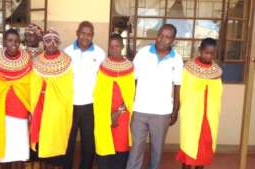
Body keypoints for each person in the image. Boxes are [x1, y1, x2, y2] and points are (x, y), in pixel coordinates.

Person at [126, 24, 183, 169]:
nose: (162, 39)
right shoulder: (143, 53)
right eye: (160, 35)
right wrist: (129, 104)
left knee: (156, 151)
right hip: (140, 110)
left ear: (173, 40)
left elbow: (177, 86)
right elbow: (133, 80)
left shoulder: (176, 59)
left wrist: (175, 111)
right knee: (135, 150)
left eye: (167, 37)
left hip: (162, 112)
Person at [0, 28, 31, 169]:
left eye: (16, 41)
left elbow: (30, 87)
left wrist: (30, 110)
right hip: (2, 115)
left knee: (20, 156)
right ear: (4, 42)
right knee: (5, 155)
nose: (13, 44)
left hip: (21, 115)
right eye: (10, 40)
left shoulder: (27, 61)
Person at [63, 21, 106, 169]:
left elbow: (103, 80)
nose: (85, 37)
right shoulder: (67, 52)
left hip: (90, 106)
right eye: (83, 33)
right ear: (77, 33)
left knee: (89, 144)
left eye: (89, 34)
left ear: (92, 35)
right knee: (68, 142)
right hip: (70, 105)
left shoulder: (100, 54)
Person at [176, 38, 223, 169]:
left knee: (203, 150)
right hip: (192, 116)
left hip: (209, 119)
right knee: (188, 147)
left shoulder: (217, 71)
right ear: (200, 51)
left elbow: (218, 93)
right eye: (205, 52)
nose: (208, 56)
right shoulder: (188, 68)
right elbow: (183, 91)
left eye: (211, 53)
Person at [29, 28, 73, 167]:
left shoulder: (67, 61)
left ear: (58, 42)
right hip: (39, 106)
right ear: (44, 42)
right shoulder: (36, 61)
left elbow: (67, 88)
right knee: (39, 138)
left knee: (55, 137)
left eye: (55, 40)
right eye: (48, 40)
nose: (52, 43)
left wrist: (50, 87)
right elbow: (32, 85)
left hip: (57, 108)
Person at [94, 34, 135, 169]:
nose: (114, 49)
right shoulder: (102, 66)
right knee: (104, 149)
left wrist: (118, 113)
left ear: (122, 47)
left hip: (122, 116)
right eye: (111, 46)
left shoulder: (130, 67)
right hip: (103, 116)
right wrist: (107, 115)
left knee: (120, 151)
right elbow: (98, 93)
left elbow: (130, 95)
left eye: (117, 46)